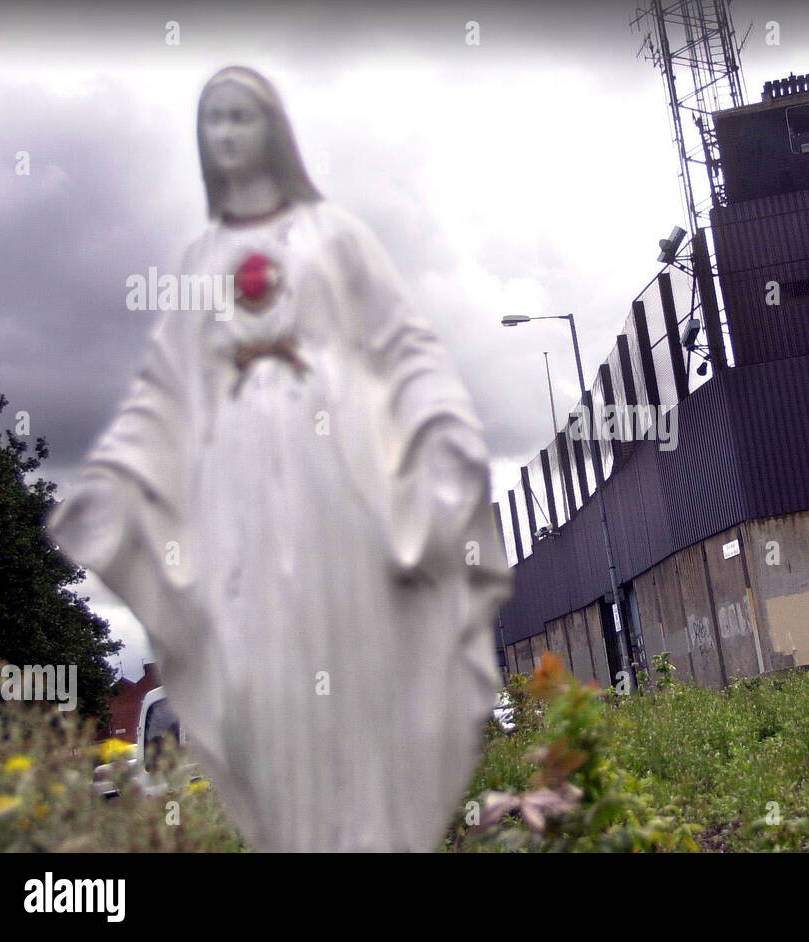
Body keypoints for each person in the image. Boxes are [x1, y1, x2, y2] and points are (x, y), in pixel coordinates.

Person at [48, 66, 511, 851]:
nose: (228, 135)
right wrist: (113, 477)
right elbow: (162, 389)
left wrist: (439, 435)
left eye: (242, 117)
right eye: (214, 122)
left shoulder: (336, 239)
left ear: (272, 131)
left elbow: (407, 351)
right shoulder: (201, 260)